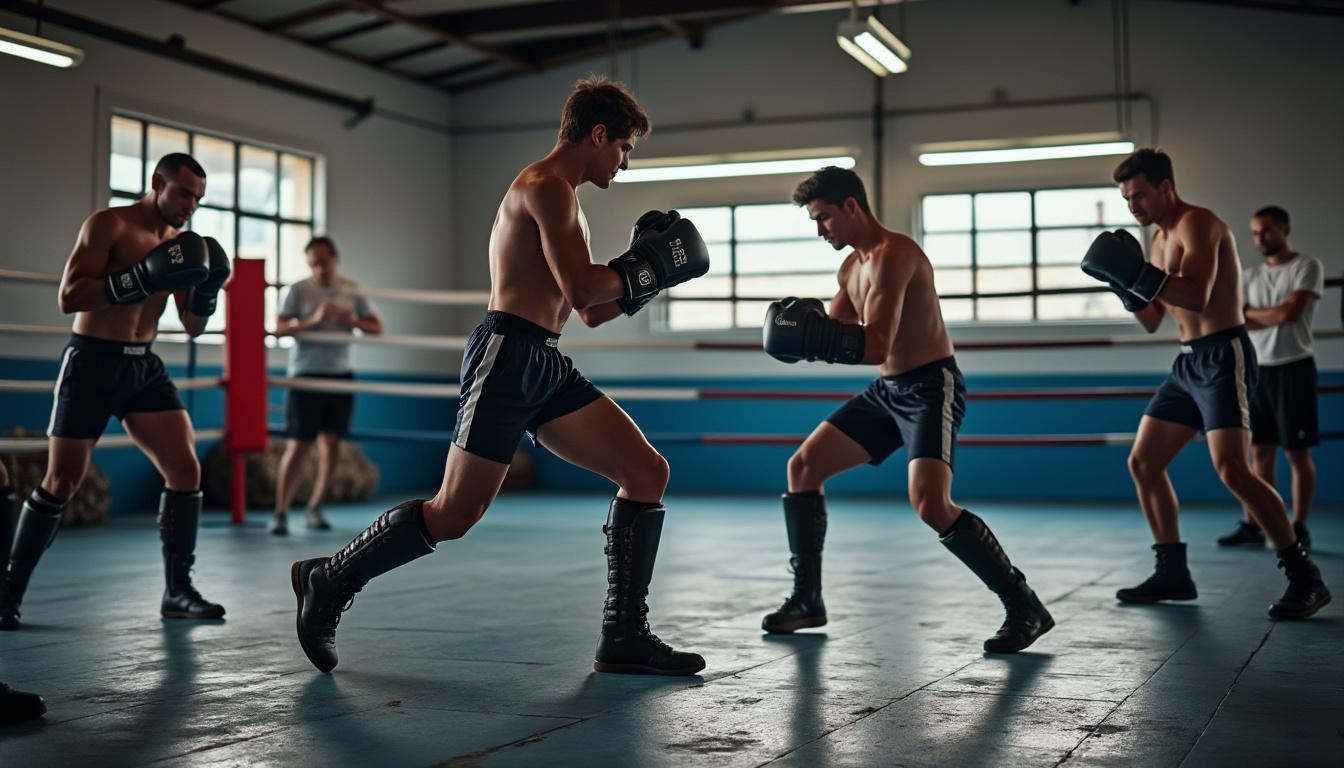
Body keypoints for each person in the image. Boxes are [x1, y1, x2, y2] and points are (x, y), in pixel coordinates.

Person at [290, 76, 710, 675]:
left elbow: (588, 311)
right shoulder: (543, 187)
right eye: (623, 148)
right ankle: (327, 580)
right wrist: (648, 265)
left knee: (646, 471)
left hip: (546, 359)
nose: (623, 162)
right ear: (598, 134)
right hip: (507, 354)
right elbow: (587, 286)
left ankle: (624, 636)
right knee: (455, 513)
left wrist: (650, 278)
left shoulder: (569, 201)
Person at [759, 166, 1054, 654]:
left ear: (852, 206)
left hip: (929, 387)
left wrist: (821, 340)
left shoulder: (898, 256)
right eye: (814, 221)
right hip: (886, 392)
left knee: (931, 504)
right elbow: (837, 331)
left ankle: (1024, 605)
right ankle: (806, 599)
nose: (820, 230)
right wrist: (802, 332)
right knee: (803, 467)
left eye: (825, 218)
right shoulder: (852, 268)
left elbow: (875, 345)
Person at [1081, 148, 1329, 619]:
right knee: (1143, 462)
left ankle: (1305, 578)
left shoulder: (1200, 224)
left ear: (1164, 187)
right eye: (1126, 200)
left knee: (1234, 469)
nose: (1132, 207)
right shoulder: (1155, 241)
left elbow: (1195, 296)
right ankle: (1173, 571)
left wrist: (1137, 274)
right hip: (1187, 364)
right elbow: (1155, 320)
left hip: (1224, 355)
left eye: (1139, 196)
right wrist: (1123, 288)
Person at [0, 153, 228, 630]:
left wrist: (207, 290)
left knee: (186, 468)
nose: (191, 206)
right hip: (92, 360)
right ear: (156, 183)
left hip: (143, 366)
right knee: (62, 480)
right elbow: (68, 296)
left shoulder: (184, 244)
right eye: (184, 193)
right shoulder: (109, 225)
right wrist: (139, 278)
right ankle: (8, 591)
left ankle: (177, 591)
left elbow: (190, 326)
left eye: (199, 199)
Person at [1217, 206, 1323, 551]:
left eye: (1266, 231)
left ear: (1284, 230)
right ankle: (1255, 523)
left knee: (1296, 454)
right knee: (1259, 452)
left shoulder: (1306, 266)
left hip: (1295, 366)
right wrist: (1268, 315)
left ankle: (1299, 526)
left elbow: (1290, 314)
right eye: (1255, 233)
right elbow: (1236, 318)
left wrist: (1256, 315)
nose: (1259, 238)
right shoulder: (1248, 276)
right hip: (1258, 369)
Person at [270, 236, 383, 534]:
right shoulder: (298, 290)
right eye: (313, 264)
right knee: (298, 444)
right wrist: (312, 320)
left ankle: (315, 508)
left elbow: (376, 328)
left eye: (323, 262)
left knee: (331, 444)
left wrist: (354, 320)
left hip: (340, 374)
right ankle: (280, 513)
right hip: (305, 375)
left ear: (335, 258)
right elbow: (279, 328)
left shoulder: (352, 290)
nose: (319, 269)